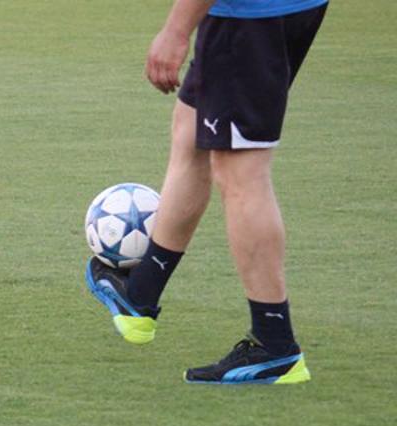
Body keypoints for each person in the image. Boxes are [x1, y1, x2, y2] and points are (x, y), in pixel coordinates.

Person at [85, 0, 328, 384]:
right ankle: (139, 295)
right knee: (192, 128)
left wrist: (176, 30)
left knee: (241, 172)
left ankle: (275, 344)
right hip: (289, 7)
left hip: (249, 16)